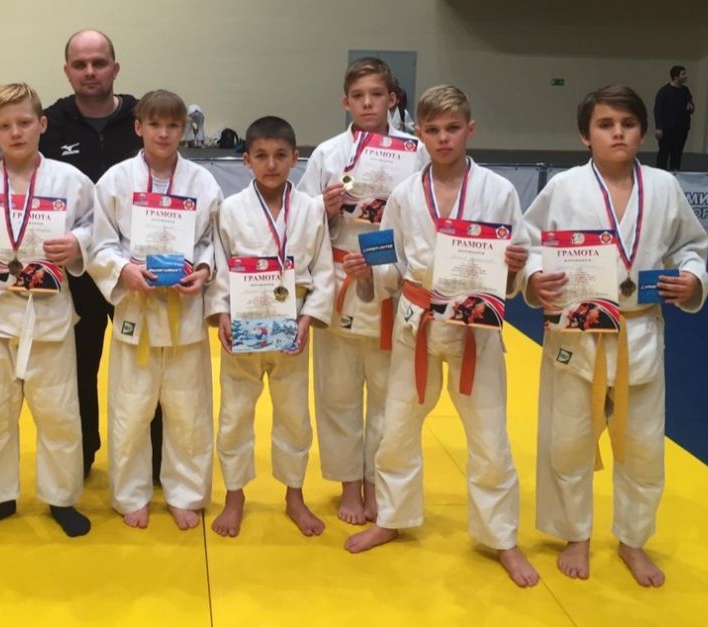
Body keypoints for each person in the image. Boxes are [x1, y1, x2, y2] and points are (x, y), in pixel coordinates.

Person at [342, 85, 539, 588]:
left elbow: (518, 260)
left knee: (490, 437)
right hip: (417, 322)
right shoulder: (405, 195)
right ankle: (392, 517)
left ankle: (502, 538)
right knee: (397, 428)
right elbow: (390, 262)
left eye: (453, 128)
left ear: (470, 129)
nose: (443, 138)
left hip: (476, 327)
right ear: (420, 134)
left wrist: (516, 265)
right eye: (432, 130)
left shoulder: (499, 190)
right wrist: (369, 272)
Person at [524, 85, 708, 587]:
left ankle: (633, 540)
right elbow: (530, 242)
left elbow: (692, 246)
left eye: (628, 124)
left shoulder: (664, 186)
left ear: (643, 132)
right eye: (605, 125)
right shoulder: (564, 187)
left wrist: (693, 279)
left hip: (638, 330)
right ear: (585, 136)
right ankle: (575, 535)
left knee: (643, 448)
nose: (618, 133)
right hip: (576, 331)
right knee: (567, 441)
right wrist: (534, 278)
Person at [0, 83, 92, 537]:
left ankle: (61, 498)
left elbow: (98, 229)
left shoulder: (71, 180)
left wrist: (78, 243)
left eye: (25, 123)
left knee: (59, 414)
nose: (16, 132)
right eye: (5, 125)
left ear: (42, 124)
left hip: (50, 315)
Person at [297, 57, 424, 526]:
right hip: (340, 279)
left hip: (393, 282)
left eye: (376, 95)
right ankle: (350, 486)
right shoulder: (328, 154)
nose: (367, 103)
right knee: (337, 393)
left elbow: (427, 215)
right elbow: (299, 217)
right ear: (345, 102)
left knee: (391, 399)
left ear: (391, 99)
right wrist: (323, 207)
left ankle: (378, 484)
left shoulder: (416, 151)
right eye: (358, 96)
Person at [88, 89, 220, 530]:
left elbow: (213, 241)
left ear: (184, 130)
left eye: (173, 125)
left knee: (189, 411)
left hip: (184, 312)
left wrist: (204, 269)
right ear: (138, 127)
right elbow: (100, 242)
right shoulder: (115, 180)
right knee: (130, 411)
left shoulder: (203, 182)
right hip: (137, 311)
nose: (164, 133)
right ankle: (131, 494)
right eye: (155, 125)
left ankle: (186, 493)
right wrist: (123, 270)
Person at [39, 29, 161, 480]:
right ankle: (81, 454)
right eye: (80, 64)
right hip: (76, 269)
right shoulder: (51, 124)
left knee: (146, 364)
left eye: (98, 62)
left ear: (115, 67)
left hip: (138, 269)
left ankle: (154, 456)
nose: (90, 72)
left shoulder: (143, 117)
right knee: (77, 367)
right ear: (67, 70)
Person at [206, 116, 336, 537]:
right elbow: (220, 266)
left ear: (296, 158)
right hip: (243, 326)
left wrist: (309, 318)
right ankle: (235, 496)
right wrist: (221, 313)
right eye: (261, 156)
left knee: (295, 416)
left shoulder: (312, 210)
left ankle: (294, 495)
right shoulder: (230, 209)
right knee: (234, 415)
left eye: (281, 155)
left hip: (292, 325)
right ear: (246, 160)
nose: (271, 164)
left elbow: (324, 270)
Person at [653, 65, 694, 171]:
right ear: (676, 76)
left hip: (682, 128)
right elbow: (658, 110)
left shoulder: (685, 90)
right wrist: (658, 127)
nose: (686, 76)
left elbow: (691, 105)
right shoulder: (664, 91)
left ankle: (675, 175)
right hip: (667, 129)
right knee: (664, 153)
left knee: (677, 154)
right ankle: (660, 175)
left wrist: (691, 107)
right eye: (683, 74)